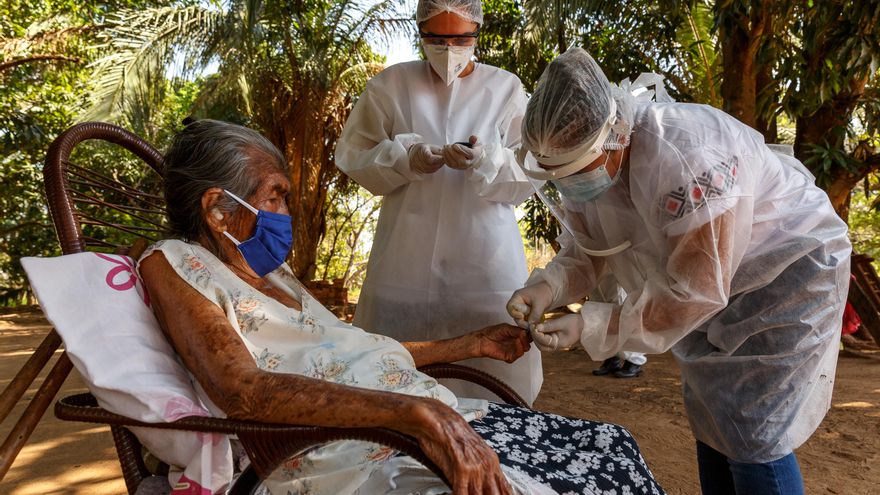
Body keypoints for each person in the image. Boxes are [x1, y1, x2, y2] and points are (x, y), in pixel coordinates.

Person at [138, 119, 665, 495]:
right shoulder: (176, 263)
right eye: (273, 196)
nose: (283, 211)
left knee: (609, 445)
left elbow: (354, 351)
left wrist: (469, 345)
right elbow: (242, 390)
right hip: (356, 453)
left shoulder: (272, 274)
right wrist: (414, 414)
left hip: (422, 418)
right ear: (217, 209)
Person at [506, 48, 851, 495]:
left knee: (753, 433)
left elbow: (695, 293)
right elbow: (590, 248)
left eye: (576, 171)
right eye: (558, 175)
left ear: (613, 135)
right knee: (715, 417)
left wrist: (591, 324)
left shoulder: (689, 156)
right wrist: (546, 287)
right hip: (711, 284)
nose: (571, 185)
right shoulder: (588, 160)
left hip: (786, 274)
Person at [335, 0, 542, 405]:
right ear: (421, 34)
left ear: (477, 33)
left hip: (484, 264)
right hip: (404, 262)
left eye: (461, 38)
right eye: (437, 38)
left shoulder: (506, 88)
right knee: (396, 380)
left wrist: (488, 160)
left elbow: (530, 170)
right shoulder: (390, 86)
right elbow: (354, 155)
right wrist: (403, 158)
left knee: (494, 385)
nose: (449, 49)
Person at [588, 272, 646, 378]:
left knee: (620, 306)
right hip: (596, 260)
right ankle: (612, 357)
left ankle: (634, 361)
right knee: (600, 305)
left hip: (617, 261)